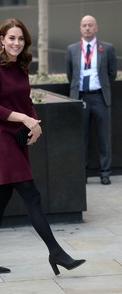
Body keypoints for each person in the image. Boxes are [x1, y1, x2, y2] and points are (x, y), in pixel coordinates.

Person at [0, 18, 86, 276]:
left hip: (19, 138)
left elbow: (25, 101)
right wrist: (24, 118)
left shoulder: (21, 66)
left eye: (20, 39)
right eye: (11, 38)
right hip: (3, 140)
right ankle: (56, 252)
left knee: (1, 197)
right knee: (32, 195)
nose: (16, 43)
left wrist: (35, 125)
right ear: (1, 39)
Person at [66, 15, 117, 185]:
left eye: (90, 25)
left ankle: (105, 173)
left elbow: (112, 74)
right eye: (84, 25)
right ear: (80, 28)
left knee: (104, 137)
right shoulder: (72, 49)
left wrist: (100, 88)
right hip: (81, 98)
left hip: (100, 97)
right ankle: (83, 173)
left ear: (96, 28)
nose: (87, 28)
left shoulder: (107, 48)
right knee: (82, 137)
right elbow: (70, 75)